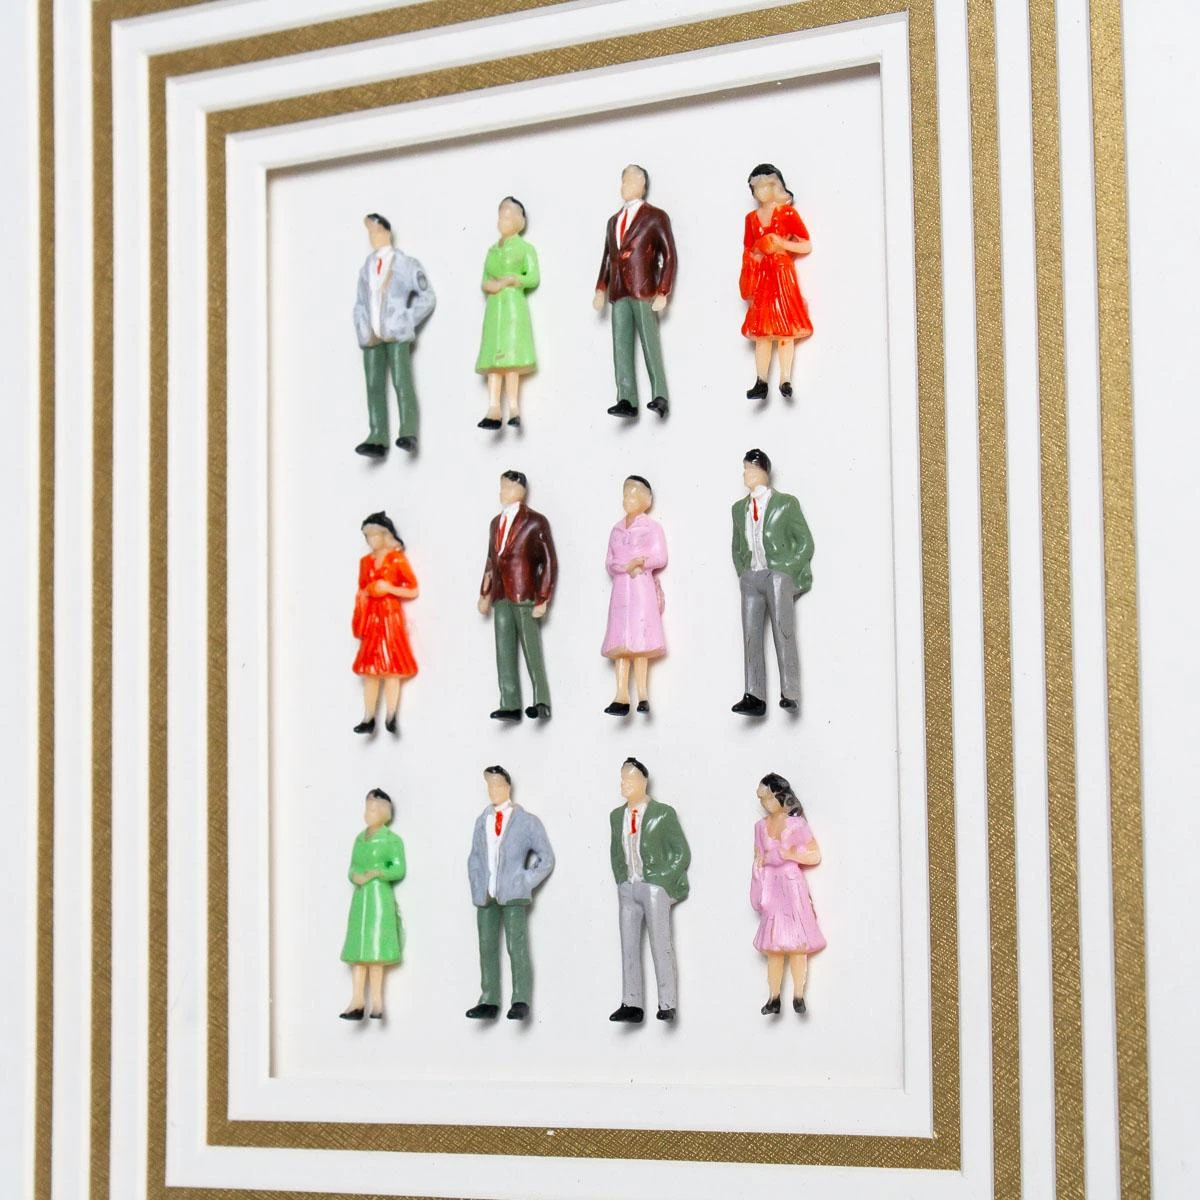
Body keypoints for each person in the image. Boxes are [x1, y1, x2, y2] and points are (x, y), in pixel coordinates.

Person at [466, 766, 555, 1021]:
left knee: (517, 946)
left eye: (497, 785)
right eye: (489, 786)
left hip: (512, 893)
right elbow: (474, 856)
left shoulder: (526, 821)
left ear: (507, 787)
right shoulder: (482, 820)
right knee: (486, 947)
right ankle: (489, 998)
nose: (493, 791)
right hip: (486, 894)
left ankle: (520, 999)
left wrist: (524, 881)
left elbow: (546, 859)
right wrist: (477, 882)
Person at [730, 449, 814, 716]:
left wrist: (787, 569)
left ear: (763, 472)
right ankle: (754, 695)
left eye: (750, 469)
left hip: (777, 574)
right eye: (745, 469)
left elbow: (805, 542)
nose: (746, 475)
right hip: (751, 577)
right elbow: (736, 545)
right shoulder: (738, 509)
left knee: (783, 630)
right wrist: (743, 571)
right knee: (751, 636)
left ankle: (790, 691)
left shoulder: (786, 503)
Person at [608, 757, 690, 1024]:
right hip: (628, 887)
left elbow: (681, 853)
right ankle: (631, 1003)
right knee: (628, 946)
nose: (625, 784)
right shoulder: (616, 816)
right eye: (622, 779)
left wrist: (662, 880)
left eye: (630, 779)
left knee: (660, 943)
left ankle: (667, 1003)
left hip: (654, 886)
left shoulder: (663, 813)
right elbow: (615, 851)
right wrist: (621, 879)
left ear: (644, 781)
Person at [593, 164, 677, 419]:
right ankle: (626, 398)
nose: (626, 186)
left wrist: (663, 290)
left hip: (643, 288)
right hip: (618, 291)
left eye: (631, 181)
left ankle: (660, 395)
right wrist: (601, 288)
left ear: (642, 185)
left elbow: (669, 254)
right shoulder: (613, 221)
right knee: (621, 345)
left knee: (650, 342)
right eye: (623, 181)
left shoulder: (655, 216)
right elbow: (607, 258)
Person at [351, 212, 436, 457]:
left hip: (396, 333)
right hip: (372, 335)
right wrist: (362, 325)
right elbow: (360, 302)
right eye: (370, 233)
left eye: (376, 231)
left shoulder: (405, 264)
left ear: (387, 232)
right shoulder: (367, 267)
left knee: (401, 381)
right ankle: (377, 435)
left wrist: (406, 320)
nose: (373, 237)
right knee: (373, 385)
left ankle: (408, 431)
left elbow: (427, 297)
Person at [477, 470, 557, 721]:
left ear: (521, 491)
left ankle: (541, 700)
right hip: (501, 595)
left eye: (508, 487)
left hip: (524, 595)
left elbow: (548, 562)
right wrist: (484, 593)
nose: (502, 492)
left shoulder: (535, 521)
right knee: (503, 650)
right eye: (501, 487)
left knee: (532, 649)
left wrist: (543, 598)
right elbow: (490, 561)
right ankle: (509, 703)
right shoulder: (495, 523)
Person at [750, 773, 825, 1015]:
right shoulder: (760, 827)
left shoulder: (797, 825)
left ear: (779, 796)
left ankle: (798, 995)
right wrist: (760, 868)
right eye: (760, 799)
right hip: (772, 886)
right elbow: (758, 856)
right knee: (774, 944)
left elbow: (814, 855)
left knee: (797, 943)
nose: (764, 803)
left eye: (766, 797)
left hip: (792, 886)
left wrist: (790, 854)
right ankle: (773, 997)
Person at [739, 164, 812, 401]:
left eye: (765, 186)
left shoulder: (787, 214)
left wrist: (781, 244)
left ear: (775, 187)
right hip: (763, 277)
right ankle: (761, 380)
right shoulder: (751, 219)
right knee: (762, 332)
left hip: (782, 274)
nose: (761, 192)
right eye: (756, 188)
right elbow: (748, 249)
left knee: (785, 330)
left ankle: (785, 379)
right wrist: (757, 252)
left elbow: (805, 245)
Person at [601, 476, 667, 716]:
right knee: (620, 642)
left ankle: (643, 694)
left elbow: (660, 557)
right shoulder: (616, 529)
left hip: (641, 587)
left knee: (640, 640)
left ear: (645, 500)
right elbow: (609, 562)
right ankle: (621, 695)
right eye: (625, 494)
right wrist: (623, 567)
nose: (626, 500)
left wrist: (641, 563)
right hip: (621, 588)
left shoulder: (651, 528)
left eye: (632, 495)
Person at [340, 788, 407, 1021]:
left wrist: (378, 873)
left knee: (375, 949)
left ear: (385, 813)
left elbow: (398, 869)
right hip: (361, 898)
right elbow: (352, 867)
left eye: (373, 809)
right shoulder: (360, 839)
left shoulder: (392, 840)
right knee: (359, 950)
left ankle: (377, 1002)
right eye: (367, 808)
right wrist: (356, 876)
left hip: (379, 898)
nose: (368, 813)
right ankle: (357, 1000)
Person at [476, 197, 540, 430]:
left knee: (512, 357)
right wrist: (490, 286)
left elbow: (533, 278)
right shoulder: (492, 250)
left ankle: (513, 408)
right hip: (495, 308)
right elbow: (484, 279)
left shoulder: (525, 249)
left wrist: (513, 279)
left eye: (509, 214)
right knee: (493, 359)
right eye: (501, 214)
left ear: (520, 220)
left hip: (513, 306)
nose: (503, 219)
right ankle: (493, 408)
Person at [352, 511, 418, 735]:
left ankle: (391, 716)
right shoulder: (365, 562)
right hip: (372, 617)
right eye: (367, 536)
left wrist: (389, 588)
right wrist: (366, 594)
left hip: (390, 616)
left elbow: (412, 589)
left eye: (374, 535)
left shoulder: (396, 559)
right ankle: (369, 717)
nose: (371, 540)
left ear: (385, 535)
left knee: (392, 668)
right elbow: (361, 588)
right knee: (370, 671)